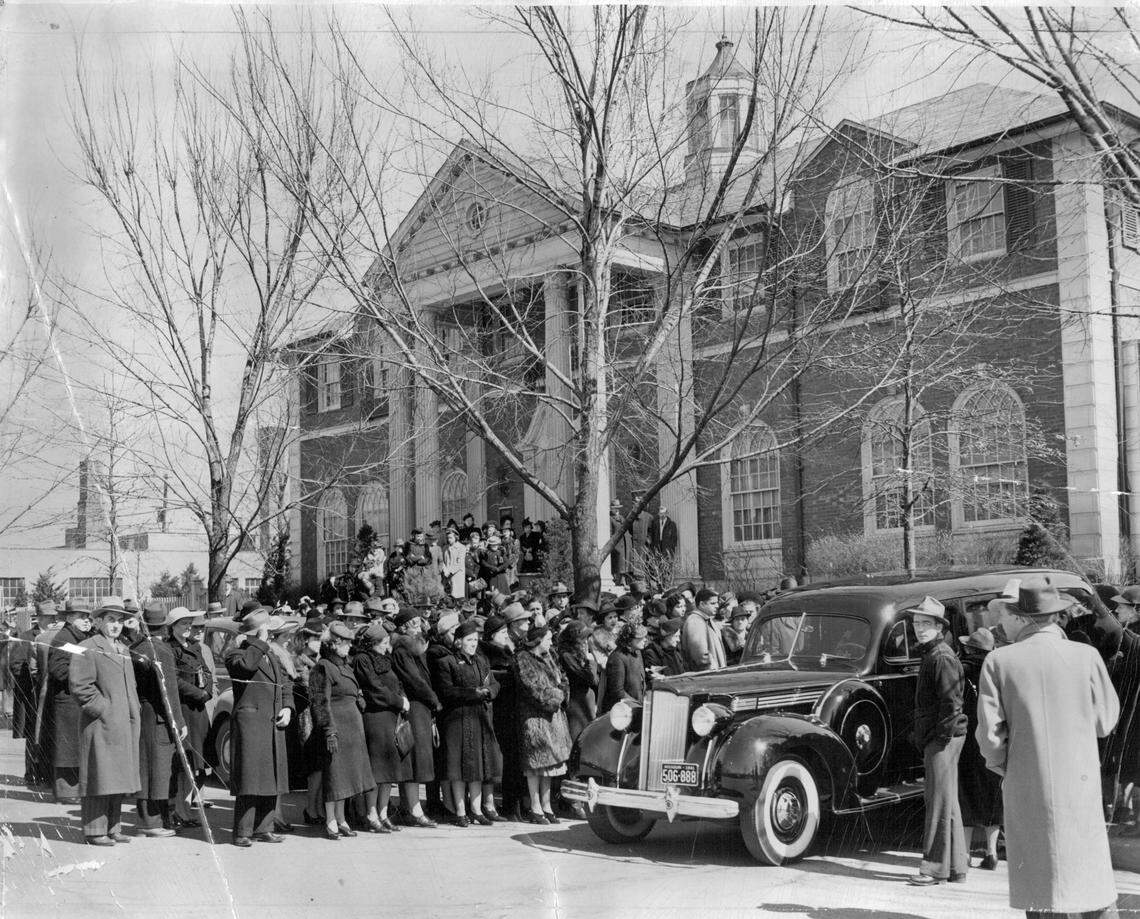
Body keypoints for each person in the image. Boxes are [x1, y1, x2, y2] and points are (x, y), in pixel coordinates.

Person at [977, 581, 1121, 919]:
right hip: (1080, 783)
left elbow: (991, 738)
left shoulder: (998, 661)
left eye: (1006, 616)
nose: (1000, 624)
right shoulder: (1086, 656)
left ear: (1024, 618)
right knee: (1090, 880)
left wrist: (1005, 767)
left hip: (1027, 785)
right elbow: (1105, 721)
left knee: (1041, 887)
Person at [904, 596, 968, 887]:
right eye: (917, 623)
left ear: (939, 627)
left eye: (926, 623)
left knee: (938, 803)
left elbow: (952, 705)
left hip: (943, 738)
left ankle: (933, 869)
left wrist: (939, 740)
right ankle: (955, 868)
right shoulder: (935, 653)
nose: (920, 628)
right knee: (947, 801)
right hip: (943, 737)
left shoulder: (940, 656)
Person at [68, 599, 141, 846]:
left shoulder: (124, 649)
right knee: (99, 776)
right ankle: (94, 830)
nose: (116, 625)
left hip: (124, 724)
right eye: (110, 619)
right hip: (101, 724)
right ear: (98, 621)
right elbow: (80, 686)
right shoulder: (86, 646)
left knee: (117, 777)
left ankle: (113, 827)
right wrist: (103, 709)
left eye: (120, 620)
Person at [223, 606, 295, 847]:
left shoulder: (270, 655)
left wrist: (287, 706)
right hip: (251, 723)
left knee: (270, 776)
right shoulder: (236, 653)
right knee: (250, 779)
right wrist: (261, 642)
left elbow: (285, 682)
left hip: (272, 722)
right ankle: (243, 831)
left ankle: (265, 827)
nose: (271, 637)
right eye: (266, 632)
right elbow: (245, 667)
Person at [310, 621, 375, 840]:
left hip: (352, 729)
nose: (349, 646)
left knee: (346, 776)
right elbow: (320, 702)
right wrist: (329, 730)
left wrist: (360, 697)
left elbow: (353, 690)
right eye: (345, 642)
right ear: (334, 644)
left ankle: (341, 818)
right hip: (336, 728)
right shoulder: (324, 667)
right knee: (334, 776)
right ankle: (330, 820)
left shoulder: (345, 666)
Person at [127, 603, 187, 838]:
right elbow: (169, 691)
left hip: (143, 713)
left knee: (145, 767)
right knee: (159, 769)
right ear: (164, 627)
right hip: (159, 716)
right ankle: (152, 824)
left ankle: (146, 821)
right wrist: (178, 721)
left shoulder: (137, 647)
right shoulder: (161, 650)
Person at [436, 620, 501, 826]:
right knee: (457, 768)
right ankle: (460, 811)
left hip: (479, 718)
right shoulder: (447, 662)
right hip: (456, 719)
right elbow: (446, 691)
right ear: (459, 642)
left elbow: (493, 683)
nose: (474, 644)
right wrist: (473, 693)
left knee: (478, 767)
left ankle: (476, 809)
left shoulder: (481, 661)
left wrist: (489, 692)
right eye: (469, 640)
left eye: (475, 640)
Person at [351, 622, 408, 835]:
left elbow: (397, 683)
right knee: (377, 771)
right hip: (376, 718)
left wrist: (403, 698)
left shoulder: (385, 659)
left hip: (392, 716)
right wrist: (399, 701)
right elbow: (375, 689)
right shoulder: (362, 660)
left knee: (390, 771)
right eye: (383, 643)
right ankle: (371, 814)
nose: (387, 647)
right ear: (373, 643)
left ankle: (383, 814)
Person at [513, 623, 572, 825]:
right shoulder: (523, 659)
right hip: (535, 719)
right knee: (535, 766)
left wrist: (561, 691)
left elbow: (562, 679)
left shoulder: (550, 657)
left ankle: (546, 805)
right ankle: (535, 806)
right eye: (547, 639)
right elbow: (535, 690)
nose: (550, 642)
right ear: (538, 641)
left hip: (553, 719)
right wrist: (558, 695)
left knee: (550, 766)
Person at [956, 627, 1002, 870]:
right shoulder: (996, 669)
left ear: (967, 648)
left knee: (966, 792)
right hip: (992, 737)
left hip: (967, 738)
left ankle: (964, 854)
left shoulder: (961, 669)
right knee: (992, 793)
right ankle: (992, 852)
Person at [389, 609, 440, 827]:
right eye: (415, 623)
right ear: (403, 628)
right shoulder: (403, 649)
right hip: (416, 706)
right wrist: (434, 700)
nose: (419, 626)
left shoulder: (411, 647)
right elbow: (415, 680)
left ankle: (407, 807)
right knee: (414, 760)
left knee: (414, 759)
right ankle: (414, 809)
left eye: (420, 622)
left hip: (420, 705)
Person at [168, 608, 213, 827]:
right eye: (183, 624)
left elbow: (207, 672)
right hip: (184, 709)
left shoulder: (195, 647)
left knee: (196, 763)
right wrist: (199, 693)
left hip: (199, 711)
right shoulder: (171, 649)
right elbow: (174, 680)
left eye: (189, 623)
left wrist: (208, 692)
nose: (188, 627)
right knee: (183, 763)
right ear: (173, 626)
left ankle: (184, 808)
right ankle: (179, 810)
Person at [46, 600, 94, 802]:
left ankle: (72, 791)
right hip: (67, 701)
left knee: (74, 748)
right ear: (68, 617)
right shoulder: (64, 638)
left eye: (88, 617)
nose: (86, 621)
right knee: (67, 749)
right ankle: (66, 792)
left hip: (74, 700)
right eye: (81, 617)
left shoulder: (78, 637)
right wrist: (83, 676)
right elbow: (58, 670)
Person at [10, 601, 55, 786]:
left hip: (50, 694)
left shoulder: (57, 636)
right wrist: (33, 675)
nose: (53, 620)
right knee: (32, 735)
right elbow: (16, 664)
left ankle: (48, 773)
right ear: (40, 618)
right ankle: (32, 773)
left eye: (55, 616)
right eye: (49, 617)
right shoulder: (27, 636)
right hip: (33, 694)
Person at [291, 618, 324, 825]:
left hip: (317, 715)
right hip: (307, 718)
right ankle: (311, 809)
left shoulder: (315, 660)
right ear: (306, 639)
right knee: (315, 767)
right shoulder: (299, 661)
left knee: (321, 768)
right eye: (316, 638)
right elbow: (308, 687)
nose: (319, 642)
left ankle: (316, 808)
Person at [557, 621, 597, 742]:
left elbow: (595, 680)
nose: (585, 642)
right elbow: (589, 678)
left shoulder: (579, 654)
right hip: (577, 702)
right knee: (579, 738)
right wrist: (591, 661)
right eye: (582, 639)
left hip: (586, 698)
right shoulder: (567, 656)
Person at [681, 588, 726, 672]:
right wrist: (711, 670)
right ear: (701, 604)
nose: (717, 606)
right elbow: (700, 655)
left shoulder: (707, 619)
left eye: (717, 603)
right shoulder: (695, 621)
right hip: (707, 676)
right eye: (712, 603)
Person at [642, 617, 685, 685]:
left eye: (678, 636)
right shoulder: (652, 653)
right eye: (676, 636)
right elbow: (654, 679)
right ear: (666, 636)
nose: (678, 640)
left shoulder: (675, 651)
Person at [441, 528, 468, 601]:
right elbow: (442, 561)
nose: (449, 539)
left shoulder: (461, 548)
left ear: (456, 537)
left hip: (456, 575)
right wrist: (445, 570)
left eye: (451, 538)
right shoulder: (444, 548)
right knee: (447, 597)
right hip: (446, 576)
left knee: (456, 597)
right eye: (448, 538)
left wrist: (449, 571)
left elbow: (459, 563)